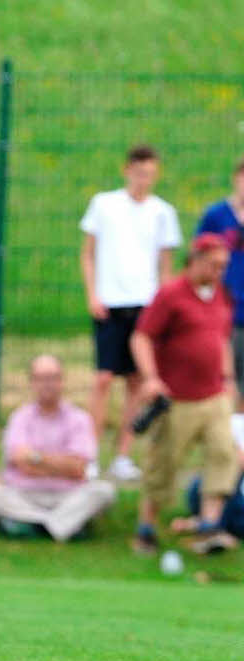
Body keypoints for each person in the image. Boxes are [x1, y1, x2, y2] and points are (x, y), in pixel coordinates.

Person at [130, 233, 238, 555]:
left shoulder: (220, 295)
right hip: (177, 398)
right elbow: (142, 337)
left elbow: (221, 338)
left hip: (214, 395)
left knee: (223, 455)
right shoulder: (171, 294)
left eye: (224, 266)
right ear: (196, 260)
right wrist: (151, 378)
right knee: (163, 464)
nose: (219, 271)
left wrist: (228, 377)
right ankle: (146, 529)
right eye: (214, 265)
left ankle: (209, 526)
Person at [79, 144, 182, 481]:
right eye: (139, 173)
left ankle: (123, 454)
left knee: (137, 383)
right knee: (103, 378)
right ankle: (91, 454)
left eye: (150, 175)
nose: (144, 180)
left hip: (146, 307)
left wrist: (163, 309)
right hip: (110, 303)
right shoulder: (104, 205)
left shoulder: (162, 212)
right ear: (127, 171)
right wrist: (93, 294)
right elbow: (88, 254)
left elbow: (165, 267)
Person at [0, 355, 115, 541]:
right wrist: (60, 463)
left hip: (68, 494)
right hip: (25, 494)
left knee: (104, 492)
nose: (47, 384)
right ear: (32, 382)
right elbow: (20, 461)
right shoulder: (20, 417)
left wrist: (36, 458)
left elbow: (79, 466)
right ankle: (59, 525)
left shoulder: (79, 419)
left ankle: (33, 525)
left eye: (53, 378)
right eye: (41, 379)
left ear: (62, 381)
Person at [195, 157, 244, 402]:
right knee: (224, 378)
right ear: (236, 179)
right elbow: (199, 257)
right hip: (225, 307)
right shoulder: (216, 215)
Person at [175, 410, 244, 540]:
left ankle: (204, 524)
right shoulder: (233, 421)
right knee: (223, 476)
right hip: (213, 492)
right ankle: (209, 525)